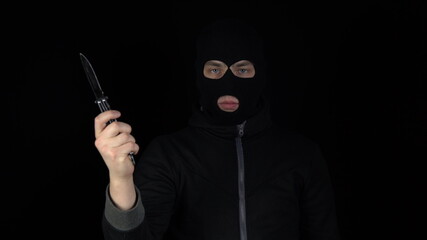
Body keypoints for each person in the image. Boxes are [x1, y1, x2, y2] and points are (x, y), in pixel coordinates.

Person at [95, 18, 341, 240]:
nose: (229, 82)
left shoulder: (301, 155)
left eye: (242, 69)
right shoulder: (168, 154)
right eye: (215, 69)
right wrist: (121, 179)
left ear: (261, 73)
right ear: (199, 74)